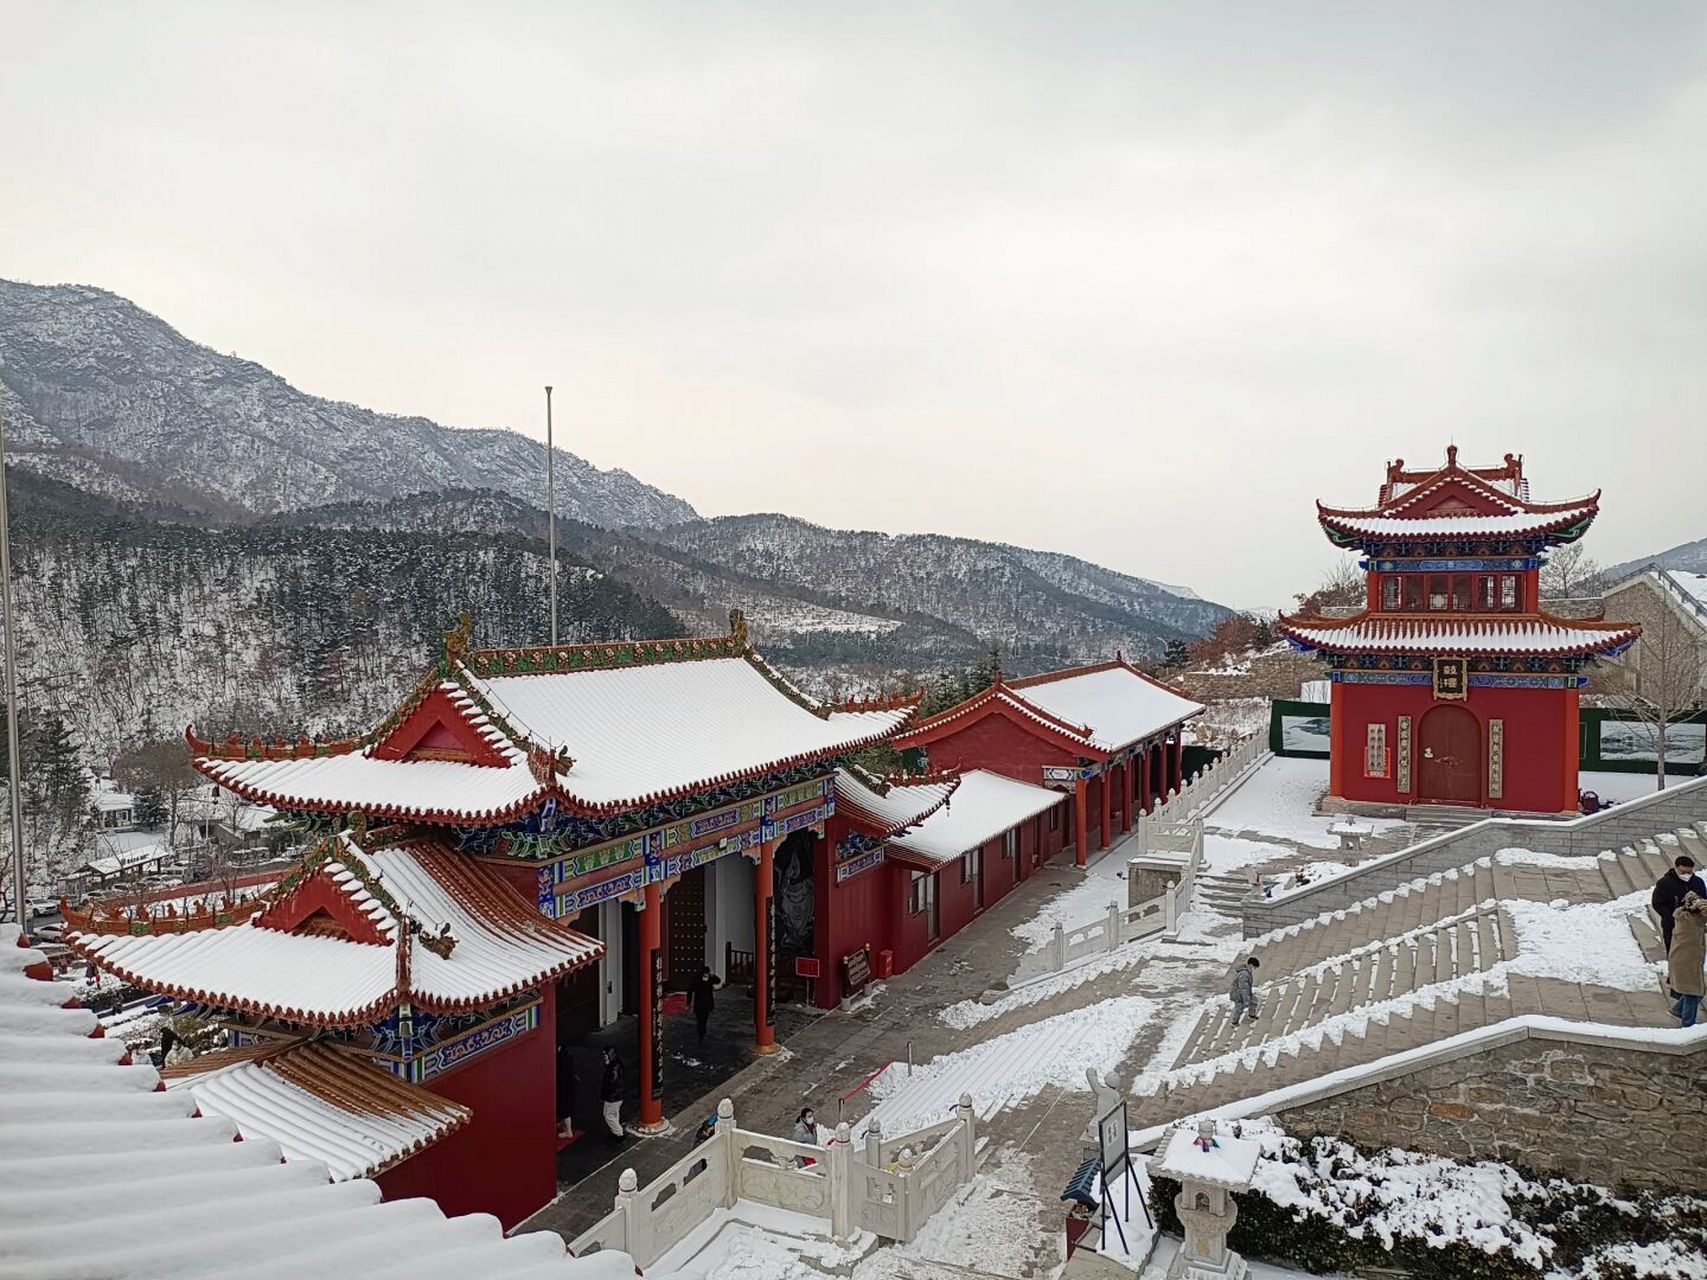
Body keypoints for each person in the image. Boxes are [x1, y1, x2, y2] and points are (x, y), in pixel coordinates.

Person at [1652, 855, 1707, 955]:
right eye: (1683, 872)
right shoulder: (1664, 883)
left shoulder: (1698, 882)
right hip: (1673, 924)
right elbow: (1657, 903)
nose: (1686, 875)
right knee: (1675, 952)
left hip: (1694, 924)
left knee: (1694, 952)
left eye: (1689, 872)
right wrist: (1670, 917)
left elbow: (1704, 899)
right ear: (1676, 868)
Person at [1669, 892, 1706, 1028]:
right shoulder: (1692, 920)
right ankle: (1688, 1024)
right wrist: (1699, 902)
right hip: (1687, 960)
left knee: (1697, 989)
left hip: (1684, 959)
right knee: (1693, 991)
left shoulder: (1683, 916)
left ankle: (1678, 1010)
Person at [689, 966, 722, 1042]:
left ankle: (702, 1031)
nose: (706, 975)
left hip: (707, 1003)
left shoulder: (710, 978)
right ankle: (701, 1033)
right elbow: (690, 989)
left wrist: (713, 975)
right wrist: (689, 1002)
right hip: (699, 1003)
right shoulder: (696, 979)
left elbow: (718, 981)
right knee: (700, 1019)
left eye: (707, 973)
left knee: (704, 1018)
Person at [599, 1046, 625, 1140]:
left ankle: (618, 1132)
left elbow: (611, 1083)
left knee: (608, 1115)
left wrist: (606, 1096)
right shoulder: (616, 1065)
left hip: (612, 1097)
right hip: (617, 1096)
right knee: (614, 1114)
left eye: (606, 1055)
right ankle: (616, 1131)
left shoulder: (612, 1068)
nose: (605, 1057)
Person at [555, 1041, 578, 1139]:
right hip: (568, 1086)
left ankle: (568, 1131)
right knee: (564, 1110)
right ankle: (564, 1126)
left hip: (564, 1088)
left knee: (565, 1111)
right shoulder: (568, 1057)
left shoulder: (561, 1060)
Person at [1229, 956, 1260, 1026]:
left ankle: (1251, 1014)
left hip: (1244, 992)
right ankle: (1234, 1022)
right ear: (1251, 965)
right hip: (1238, 994)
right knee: (1239, 1007)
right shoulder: (1244, 975)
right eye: (1254, 968)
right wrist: (1246, 1000)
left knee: (1254, 1001)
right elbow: (1243, 989)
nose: (1254, 970)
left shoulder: (1247, 973)